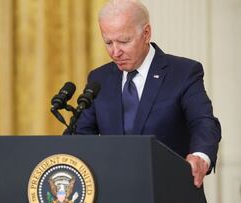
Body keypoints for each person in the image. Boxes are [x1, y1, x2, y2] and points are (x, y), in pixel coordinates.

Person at [74, 0, 221, 188]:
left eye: (124, 41)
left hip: (170, 191)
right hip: (115, 191)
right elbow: (83, 134)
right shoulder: (99, 78)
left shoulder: (183, 72)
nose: (115, 52)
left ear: (146, 33)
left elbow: (204, 122)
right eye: (108, 42)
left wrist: (201, 157)